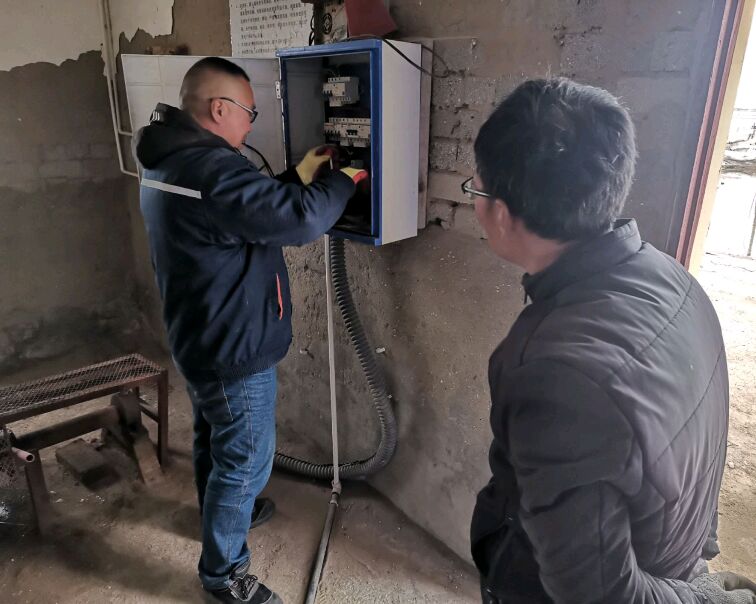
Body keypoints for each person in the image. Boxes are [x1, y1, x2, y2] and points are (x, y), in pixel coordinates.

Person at [467, 78, 756, 603]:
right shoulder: (673, 277)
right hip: (668, 550)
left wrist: (716, 598)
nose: (476, 204)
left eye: (477, 191)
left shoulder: (552, 376)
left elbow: (602, 596)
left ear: (502, 214)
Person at [133, 57, 364, 603]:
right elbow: (299, 219)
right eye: (249, 112)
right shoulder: (211, 170)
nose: (250, 123)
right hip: (233, 346)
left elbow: (243, 213)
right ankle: (224, 574)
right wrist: (344, 180)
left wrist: (297, 176)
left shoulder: (172, 159)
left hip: (199, 333)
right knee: (245, 461)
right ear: (220, 109)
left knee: (214, 437)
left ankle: (219, 511)